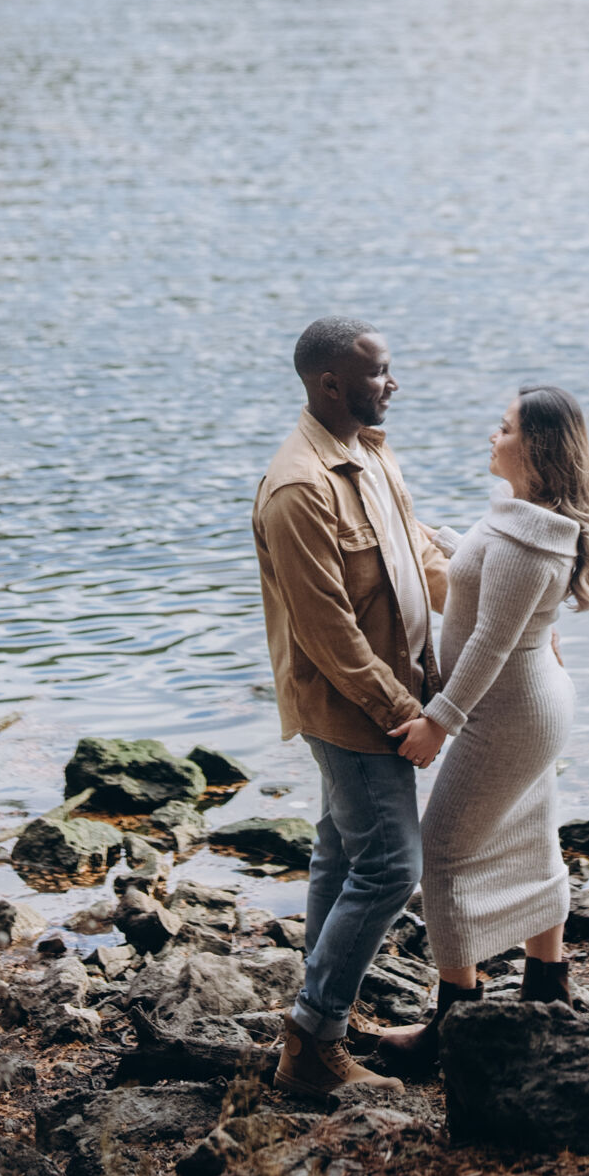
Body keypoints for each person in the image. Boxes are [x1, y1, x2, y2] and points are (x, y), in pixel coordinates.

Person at [374, 384, 589, 1080]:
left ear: (535, 448)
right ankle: (547, 990)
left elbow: (488, 644)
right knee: (533, 835)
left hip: (508, 716)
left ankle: (455, 1023)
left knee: (443, 853)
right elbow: (484, 569)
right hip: (531, 706)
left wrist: (438, 723)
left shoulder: (530, 542)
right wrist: (429, 534)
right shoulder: (523, 520)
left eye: (503, 427)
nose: (491, 435)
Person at [252, 315, 454, 1102]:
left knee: (340, 852)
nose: (393, 384)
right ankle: (313, 1038)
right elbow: (328, 633)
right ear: (330, 384)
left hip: (389, 691)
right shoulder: (298, 488)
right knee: (392, 865)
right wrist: (408, 715)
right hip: (350, 708)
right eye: (379, 372)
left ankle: (321, 1007)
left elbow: (417, 555)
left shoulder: (368, 450)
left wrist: (500, 600)